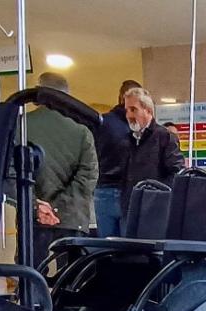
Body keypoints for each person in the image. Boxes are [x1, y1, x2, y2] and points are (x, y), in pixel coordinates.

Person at [24, 72, 98, 264]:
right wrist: (58, 208)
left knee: (30, 276)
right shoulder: (81, 130)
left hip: (33, 218)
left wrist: (37, 205)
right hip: (71, 218)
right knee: (70, 279)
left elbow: (11, 173)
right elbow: (88, 175)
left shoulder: (20, 126)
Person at [119, 86, 185, 220]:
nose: (129, 115)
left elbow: (176, 171)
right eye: (127, 110)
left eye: (133, 109)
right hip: (131, 210)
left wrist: (157, 199)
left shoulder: (165, 137)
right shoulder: (128, 139)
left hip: (156, 211)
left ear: (148, 110)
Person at [93, 79, 141, 237]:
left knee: (106, 249)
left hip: (103, 189)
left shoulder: (101, 122)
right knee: (130, 249)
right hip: (129, 192)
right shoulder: (138, 126)